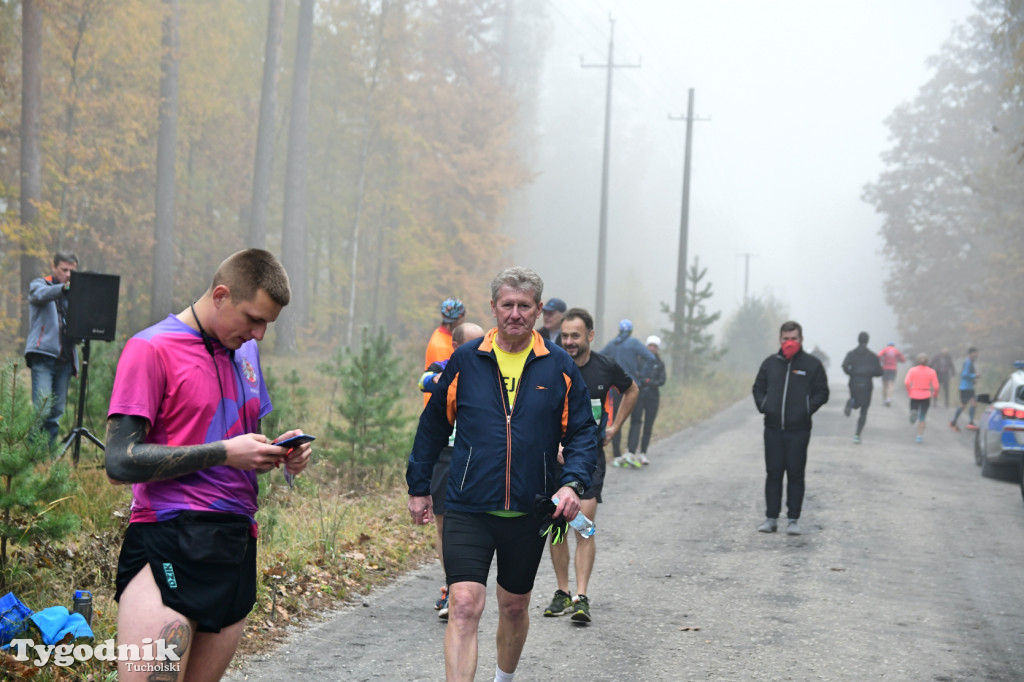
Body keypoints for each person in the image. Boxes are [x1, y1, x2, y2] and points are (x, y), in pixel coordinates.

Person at [104, 249, 313, 682]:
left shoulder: (246, 355)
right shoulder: (151, 348)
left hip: (236, 544)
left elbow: (238, 445)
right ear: (220, 295)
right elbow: (120, 460)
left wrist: (277, 454)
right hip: (169, 540)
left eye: (267, 325)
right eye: (253, 318)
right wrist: (223, 452)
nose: (258, 334)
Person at [406, 266, 597, 682]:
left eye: (524, 306)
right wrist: (419, 487)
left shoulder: (559, 366)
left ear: (538, 310)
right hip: (468, 506)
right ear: (493, 308)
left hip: (529, 511)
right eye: (507, 305)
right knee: (464, 604)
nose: (515, 314)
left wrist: (571, 483)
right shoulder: (466, 360)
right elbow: (433, 425)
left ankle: (503, 678)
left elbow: (583, 432)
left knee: (513, 608)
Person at [544, 307, 636, 624]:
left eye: (575, 336)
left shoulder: (605, 367)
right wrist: (551, 442)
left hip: (589, 458)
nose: (568, 341)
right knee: (557, 525)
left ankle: (582, 596)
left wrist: (615, 427)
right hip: (554, 460)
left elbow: (632, 389)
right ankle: (562, 591)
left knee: (583, 521)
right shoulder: (552, 366)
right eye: (565, 336)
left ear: (590, 336)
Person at [418, 321, 485, 619]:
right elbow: (425, 381)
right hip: (446, 454)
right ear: (457, 347)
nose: (482, 349)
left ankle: (467, 588)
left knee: (477, 525)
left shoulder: (492, 368)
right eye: (474, 343)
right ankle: (450, 587)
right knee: (444, 524)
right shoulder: (442, 366)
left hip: (480, 455)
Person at [752, 321, 829, 536]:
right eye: (786, 339)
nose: (789, 342)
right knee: (773, 472)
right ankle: (771, 518)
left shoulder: (812, 365)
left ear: (801, 340)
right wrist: (765, 406)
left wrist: (806, 408)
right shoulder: (770, 364)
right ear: (780, 340)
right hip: (773, 428)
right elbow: (758, 388)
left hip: (799, 430)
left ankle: (793, 519)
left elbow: (822, 392)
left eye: (794, 338)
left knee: (795, 473)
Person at [24, 250, 79, 445]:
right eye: (64, 270)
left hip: (65, 360)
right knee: (42, 409)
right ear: (54, 267)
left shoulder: (74, 293)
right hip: (43, 357)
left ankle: (47, 458)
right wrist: (63, 289)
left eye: (72, 271)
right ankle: (31, 456)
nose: (68, 275)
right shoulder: (40, 284)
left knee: (56, 412)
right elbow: (38, 295)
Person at [599, 319, 655, 468]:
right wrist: (642, 376)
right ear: (630, 331)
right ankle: (630, 452)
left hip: (615, 388)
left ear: (619, 330)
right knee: (636, 420)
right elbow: (651, 357)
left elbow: (598, 358)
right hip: (632, 387)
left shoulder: (612, 344)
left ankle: (617, 456)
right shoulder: (634, 343)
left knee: (617, 420)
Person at [626, 335, 666, 465]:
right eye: (650, 345)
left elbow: (662, 380)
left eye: (655, 346)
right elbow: (636, 375)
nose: (652, 348)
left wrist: (649, 381)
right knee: (635, 421)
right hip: (639, 394)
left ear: (657, 348)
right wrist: (645, 380)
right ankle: (631, 451)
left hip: (653, 397)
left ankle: (643, 453)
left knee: (648, 425)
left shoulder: (659, 363)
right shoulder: (640, 360)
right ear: (646, 346)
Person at [840, 331, 883, 444]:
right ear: (867, 341)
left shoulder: (851, 353)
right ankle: (857, 435)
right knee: (864, 410)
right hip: (867, 384)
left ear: (858, 340)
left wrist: (850, 373)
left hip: (854, 381)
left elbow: (844, 365)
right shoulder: (873, 356)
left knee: (855, 402)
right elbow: (879, 372)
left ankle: (851, 402)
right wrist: (872, 373)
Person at [424, 297, 466, 405]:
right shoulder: (440, 346)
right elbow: (445, 377)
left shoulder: (445, 334)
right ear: (456, 320)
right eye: (462, 317)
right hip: (439, 403)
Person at [905, 353, 940, 443]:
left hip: (914, 394)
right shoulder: (931, 371)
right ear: (927, 361)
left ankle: (914, 412)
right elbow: (936, 386)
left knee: (914, 409)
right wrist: (935, 394)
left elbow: (907, 382)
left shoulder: (912, 370)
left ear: (917, 361)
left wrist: (910, 391)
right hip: (925, 395)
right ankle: (919, 436)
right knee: (922, 417)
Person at [950, 347, 980, 432]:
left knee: (973, 403)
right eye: (975, 353)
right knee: (963, 405)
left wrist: (973, 380)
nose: (977, 355)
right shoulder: (968, 362)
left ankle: (970, 422)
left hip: (969, 387)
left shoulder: (971, 362)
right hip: (965, 388)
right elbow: (964, 374)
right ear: (971, 353)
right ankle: (954, 421)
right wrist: (975, 376)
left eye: (977, 353)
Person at [878, 341, 906, 406]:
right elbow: (903, 359)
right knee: (891, 384)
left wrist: (881, 361)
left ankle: (884, 400)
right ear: (893, 345)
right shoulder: (896, 351)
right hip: (893, 369)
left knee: (885, 385)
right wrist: (897, 360)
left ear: (888, 345)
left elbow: (879, 356)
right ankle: (889, 399)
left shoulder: (885, 349)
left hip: (885, 368)